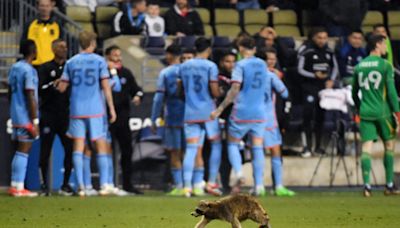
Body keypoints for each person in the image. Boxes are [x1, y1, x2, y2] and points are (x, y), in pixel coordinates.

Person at [57, 31, 117, 196]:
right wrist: (111, 108)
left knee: (78, 146)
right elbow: (105, 87)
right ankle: (105, 185)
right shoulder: (99, 61)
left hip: (76, 109)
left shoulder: (71, 62)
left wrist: (59, 83)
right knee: (100, 144)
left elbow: (62, 88)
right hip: (95, 109)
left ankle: (81, 186)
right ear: (92, 42)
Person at [211, 37, 270, 196]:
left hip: (242, 110)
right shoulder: (263, 64)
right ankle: (259, 185)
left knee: (232, 144)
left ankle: (238, 173)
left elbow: (235, 88)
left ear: (241, 49)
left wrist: (220, 108)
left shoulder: (240, 65)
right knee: (257, 147)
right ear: (255, 49)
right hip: (259, 112)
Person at [352, 35, 400, 197]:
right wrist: (398, 113)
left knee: (366, 148)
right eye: (385, 44)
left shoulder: (359, 66)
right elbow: (392, 93)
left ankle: (367, 187)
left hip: (365, 112)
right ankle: (389, 185)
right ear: (378, 45)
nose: (386, 47)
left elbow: (354, 94)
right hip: (383, 112)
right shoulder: (385, 65)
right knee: (389, 146)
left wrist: (360, 109)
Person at [178, 37, 222, 197]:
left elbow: (179, 91)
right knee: (216, 144)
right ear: (209, 50)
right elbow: (215, 91)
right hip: (208, 112)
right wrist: (221, 93)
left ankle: (187, 186)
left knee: (190, 149)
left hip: (190, 112)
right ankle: (211, 182)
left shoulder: (183, 66)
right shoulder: (211, 66)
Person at [256, 47, 295, 197]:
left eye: (274, 58)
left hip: (252, 118)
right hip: (268, 119)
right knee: (274, 151)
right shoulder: (271, 75)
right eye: (269, 59)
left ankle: (258, 186)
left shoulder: (249, 74)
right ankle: (278, 186)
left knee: (257, 150)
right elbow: (285, 93)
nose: (271, 61)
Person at [38, 39, 74, 196]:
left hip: (65, 115)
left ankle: (65, 184)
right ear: (53, 49)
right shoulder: (45, 67)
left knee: (70, 149)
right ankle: (44, 185)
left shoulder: (70, 67)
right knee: (45, 150)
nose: (64, 49)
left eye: (65, 47)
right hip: (48, 115)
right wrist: (54, 84)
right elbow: (39, 89)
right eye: (60, 47)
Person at [107, 45, 144, 194]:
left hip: (122, 118)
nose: (118, 58)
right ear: (107, 57)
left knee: (126, 151)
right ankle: (107, 183)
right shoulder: (102, 73)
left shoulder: (126, 73)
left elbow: (137, 90)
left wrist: (137, 96)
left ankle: (127, 184)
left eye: (119, 55)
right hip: (105, 118)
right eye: (114, 55)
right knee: (105, 151)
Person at [297, 28, 338, 157]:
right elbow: (300, 69)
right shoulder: (306, 51)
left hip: (323, 89)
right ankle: (306, 147)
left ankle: (318, 147)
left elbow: (335, 67)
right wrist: (314, 75)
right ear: (314, 38)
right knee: (307, 117)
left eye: (324, 37)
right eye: (319, 37)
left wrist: (331, 80)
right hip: (309, 88)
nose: (322, 40)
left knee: (321, 118)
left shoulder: (329, 52)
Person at [151, 44, 185, 196]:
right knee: (191, 151)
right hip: (190, 117)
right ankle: (191, 183)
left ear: (169, 55)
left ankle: (179, 185)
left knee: (174, 152)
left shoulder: (166, 72)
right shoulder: (188, 70)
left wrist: (154, 118)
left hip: (173, 116)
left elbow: (159, 98)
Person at [8, 40, 40, 197]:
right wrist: (34, 121)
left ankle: (14, 184)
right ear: (33, 51)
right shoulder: (28, 71)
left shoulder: (15, 67)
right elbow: (30, 95)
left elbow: (9, 90)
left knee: (19, 150)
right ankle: (19, 187)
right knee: (24, 149)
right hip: (25, 116)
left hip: (15, 113)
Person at [216, 49, 236, 194]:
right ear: (221, 63)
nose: (231, 64)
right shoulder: (218, 78)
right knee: (220, 152)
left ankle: (226, 183)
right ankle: (220, 183)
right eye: (228, 61)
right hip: (220, 119)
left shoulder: (237, 77)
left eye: (233, 61)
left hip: (234, 119)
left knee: (230, 153)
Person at [21, 0, 62, 67]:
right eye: (42, 6)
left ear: (51, 7)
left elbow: (61, 44)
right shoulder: (30, 24)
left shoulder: (57, 25)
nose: (44, 9)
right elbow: (23, 42)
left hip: (51, 65)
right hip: (34, 64)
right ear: (38, 7)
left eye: (47, 6)